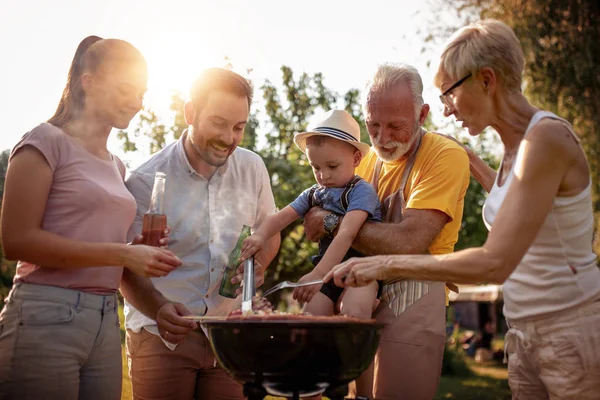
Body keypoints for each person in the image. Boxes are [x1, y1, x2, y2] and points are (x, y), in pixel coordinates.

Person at [328, 19, 600, 400]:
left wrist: (385, 264)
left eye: (449, 94)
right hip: (523, 332)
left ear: (486, 81)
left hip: (567, 327)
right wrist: (469, 159)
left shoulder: (547, 139)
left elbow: (495, 263)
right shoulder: (513, 153)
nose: (447, 110)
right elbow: (518, 200)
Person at [0, 36, 192, 400]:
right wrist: (122, 253)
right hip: (45, 313)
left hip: (105, 320)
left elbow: (109, 257)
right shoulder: (44, 140)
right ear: (88, 82)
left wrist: (146, 274)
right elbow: (17, 241)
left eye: (142, 94)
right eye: (126, 90)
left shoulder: (117, 166)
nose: (137, 103)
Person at [303, 64, 470, 399]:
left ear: (422, 114)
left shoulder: (444, 156)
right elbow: (310, 221)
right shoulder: (361, 160)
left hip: (416, 288)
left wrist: (338, 225)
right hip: (361, 281)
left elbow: (409, 242)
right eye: (373, 125)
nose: (381, 138)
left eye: (395, 126)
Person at [124, 68, 280, 400]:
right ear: (190, 113)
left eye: (239, 127)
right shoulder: (145, 179)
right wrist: (159, 309)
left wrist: (258, 265)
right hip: (161, 334)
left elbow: (269, 232)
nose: (229, 138)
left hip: (230, 336)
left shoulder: (252, 168)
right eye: (219, 123)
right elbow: (125, 267)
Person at [240, 109, 382, 319]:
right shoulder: (314, 194)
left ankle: (368, 302)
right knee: (313, 318)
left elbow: (346, 234)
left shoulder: (362, 192)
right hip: (326, 276)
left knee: (354, 313)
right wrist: (260, 235)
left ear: (356, 158)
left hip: (360, 271)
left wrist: (318, 274)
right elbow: (282, 217)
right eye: (315, 167)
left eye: (332, 166)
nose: (323, 175)